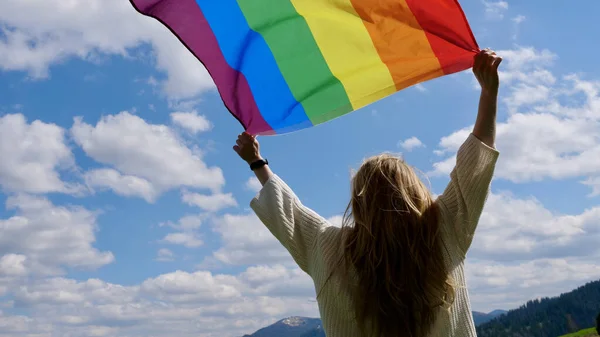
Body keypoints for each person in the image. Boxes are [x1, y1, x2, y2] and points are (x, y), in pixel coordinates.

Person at [233, 49, 502, 337]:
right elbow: (475, 165)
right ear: (414, 192)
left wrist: (257, 162)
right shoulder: (444, 229)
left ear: (359, 204)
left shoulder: (329, 248)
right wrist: (488, 92)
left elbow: (289, 211)